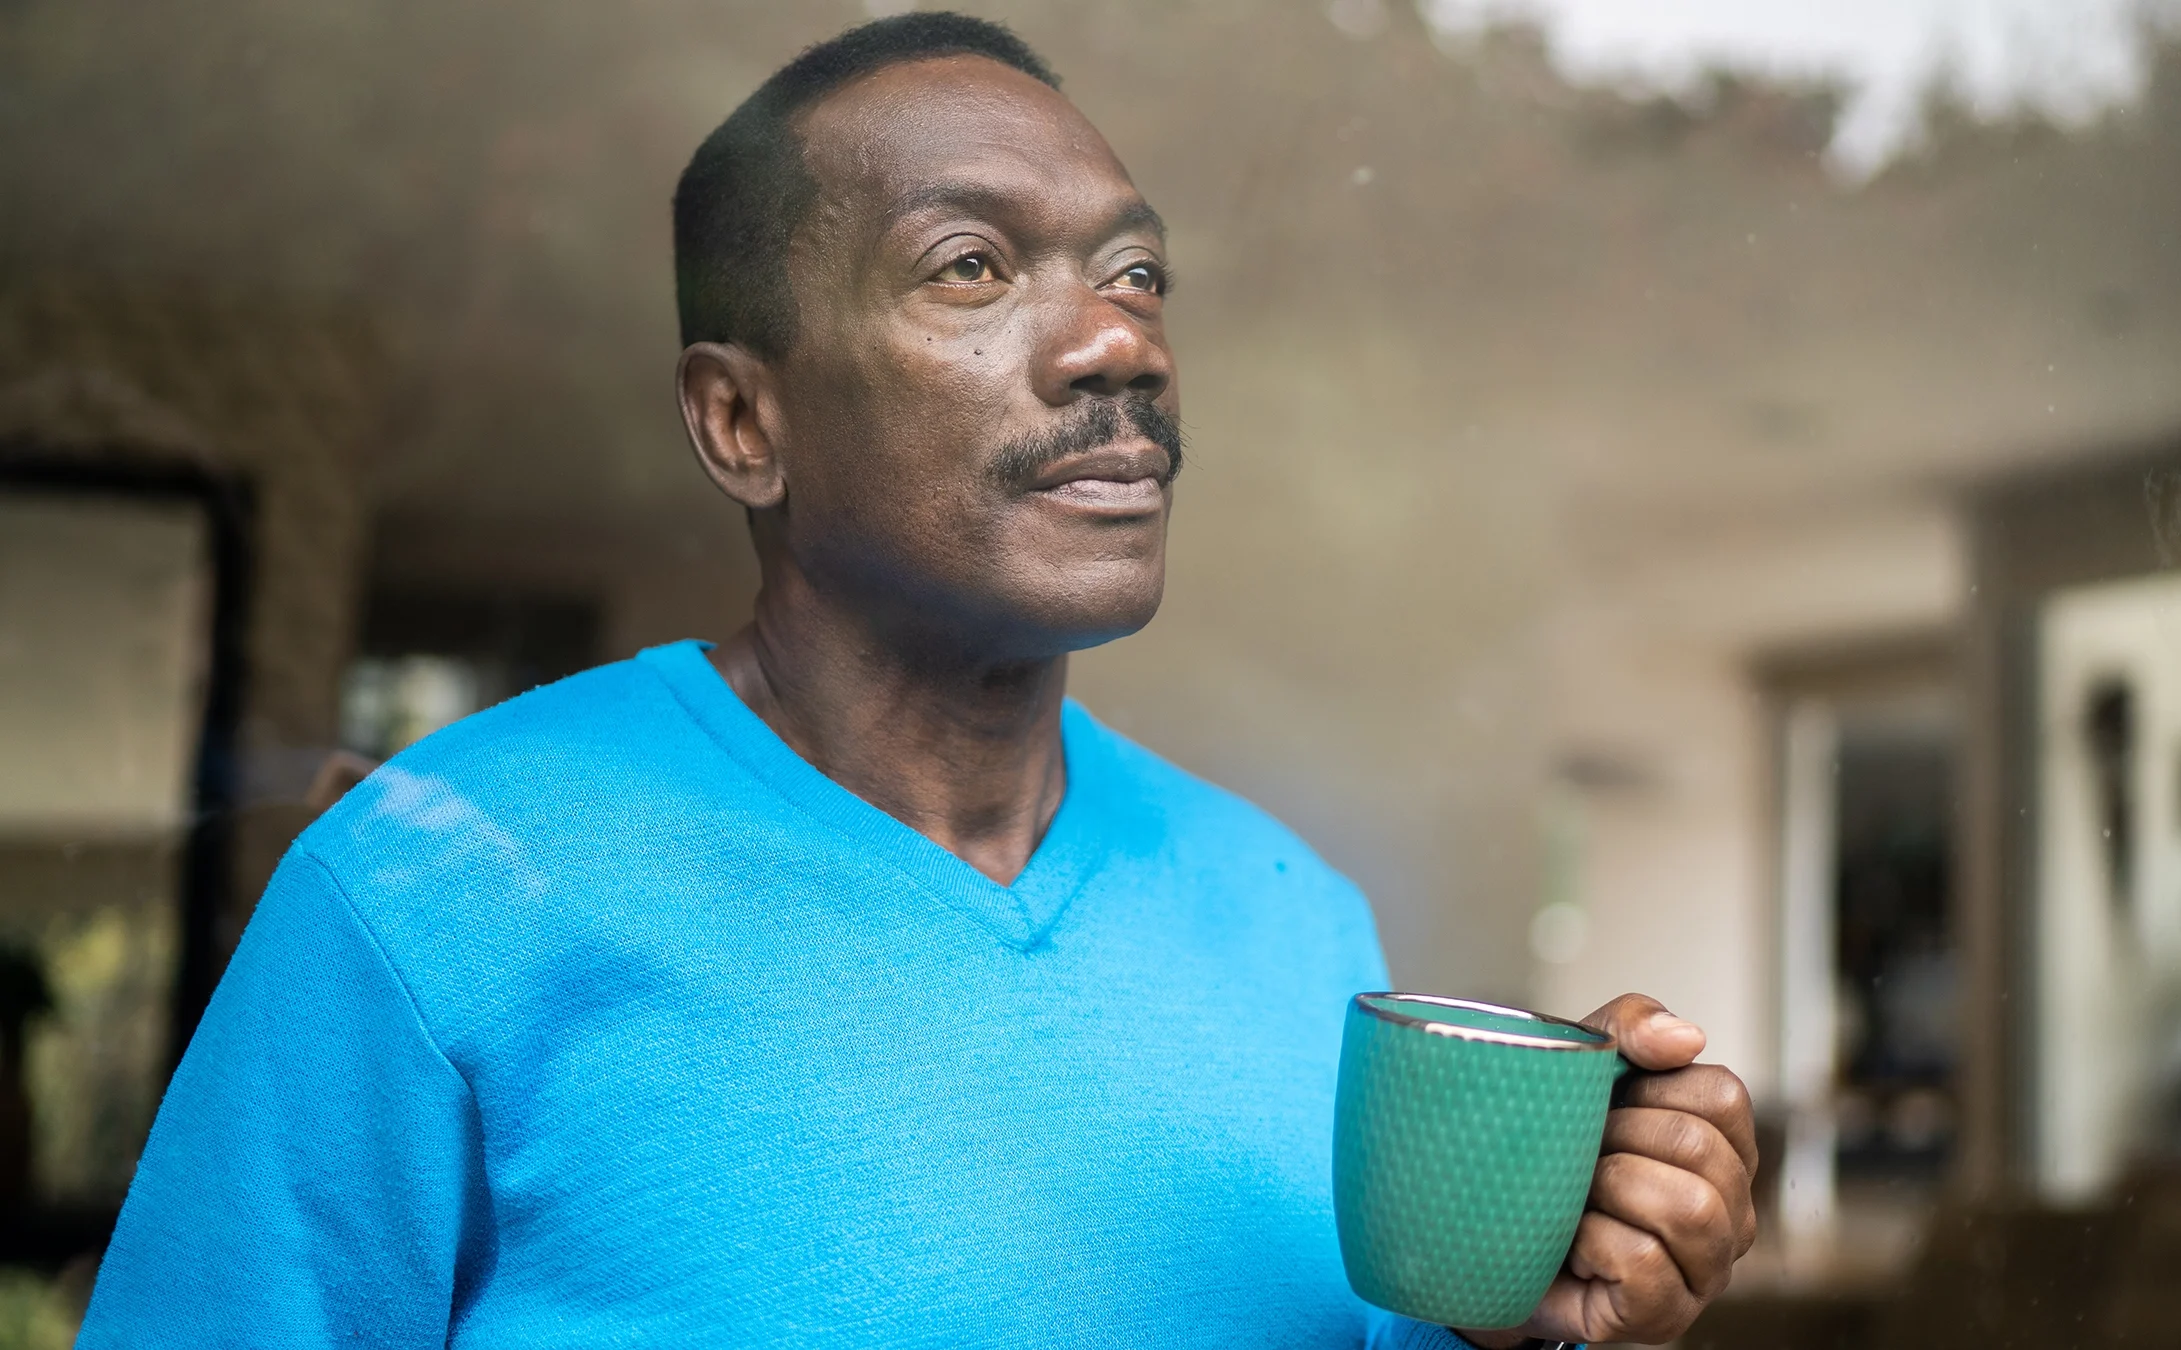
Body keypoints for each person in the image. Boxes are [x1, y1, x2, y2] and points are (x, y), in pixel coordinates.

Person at [79, 14, 1755, 1348]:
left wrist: (1532, 1316)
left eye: (1137, 272)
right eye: (970, 265)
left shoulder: (1299, 919)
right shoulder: (433, 896)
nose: (1120, 342)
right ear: (746, 422)